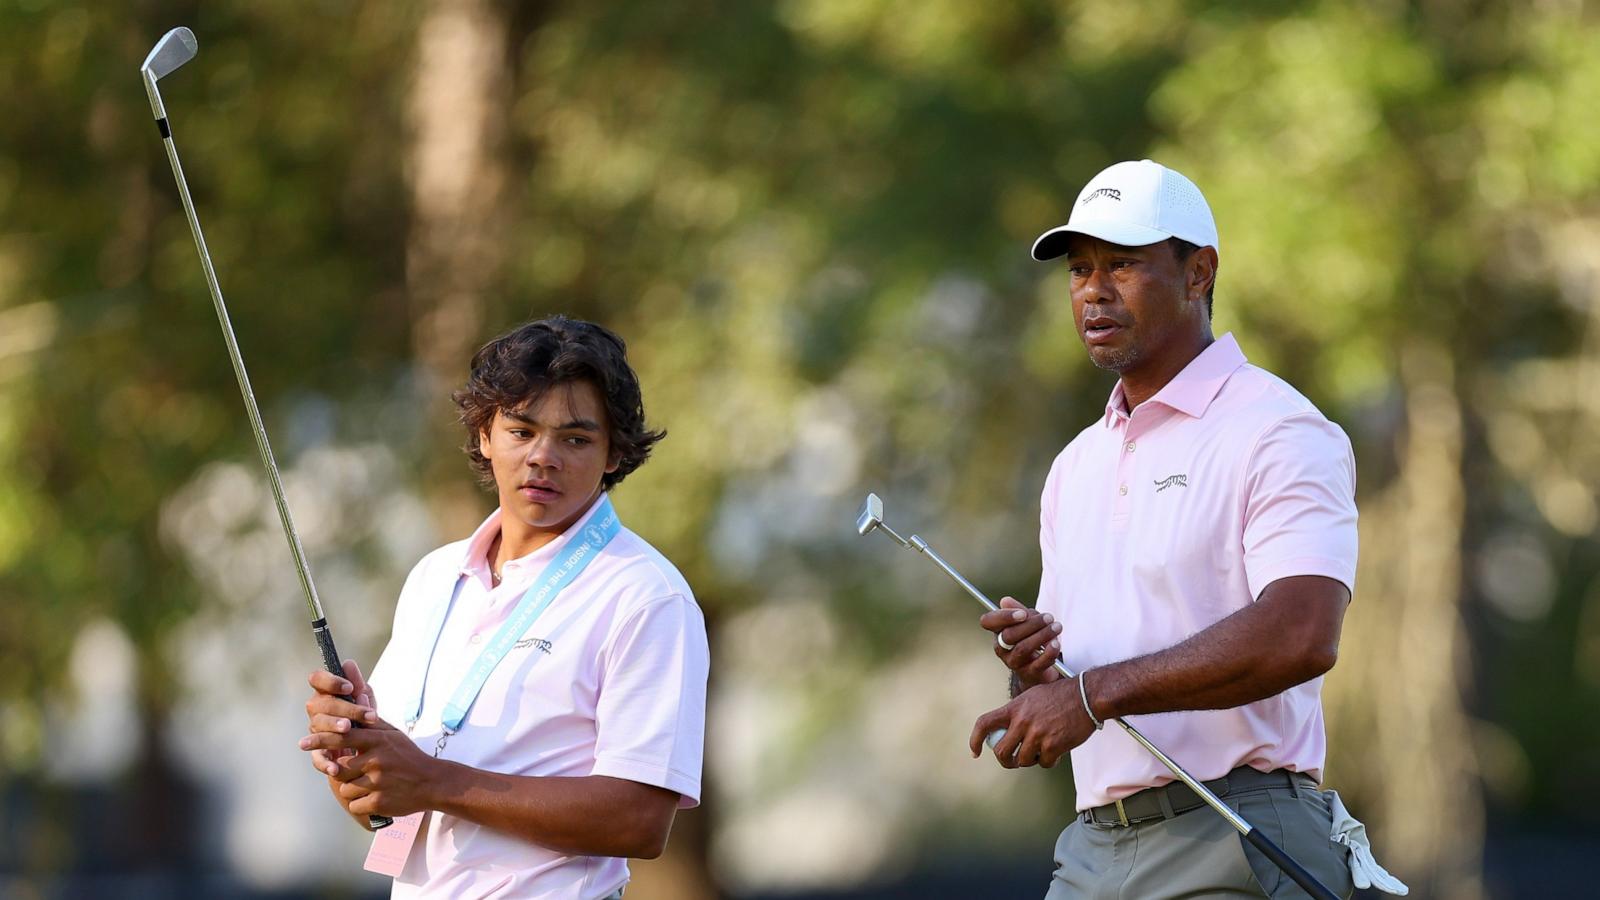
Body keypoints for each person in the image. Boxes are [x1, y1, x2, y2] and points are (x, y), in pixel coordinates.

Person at [967, 160, 1405, 898]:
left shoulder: (1279, 429)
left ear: (1198, 273)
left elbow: (1302, 633)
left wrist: (1090, 697)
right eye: (1080, 270)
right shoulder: (1076, 466)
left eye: (1124, 265)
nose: (1094, 291)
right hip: (1093, 848)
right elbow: (1086, 676)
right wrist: (1036, 676)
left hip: (1236, 833)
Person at [299, 316, 709, 899]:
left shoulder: (645, 595)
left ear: (615, 453)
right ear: (484, 435)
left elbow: (639, 820)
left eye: (575, 438)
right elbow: (383, 812)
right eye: (521, 431)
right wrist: (357, 756)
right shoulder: (434, 577)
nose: (543, 457)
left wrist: (436, 781)